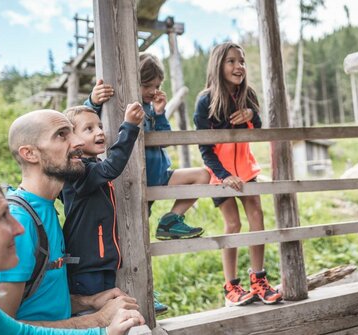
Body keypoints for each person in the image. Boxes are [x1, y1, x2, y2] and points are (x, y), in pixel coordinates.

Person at [0, 110, 139, 328]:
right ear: (30, 153)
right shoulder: (17, 223)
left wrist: (88, 301)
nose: (78, 141)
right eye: (61, 134)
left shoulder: (46, 209)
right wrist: (98, 321)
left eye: (73, 132)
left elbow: (39, 300)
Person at [0, 176, 145, 334]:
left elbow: (22, 332)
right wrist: (99, 320)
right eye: (3, 217)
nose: (19, 228)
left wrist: (100, 324)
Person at [193, 42, 282, 306]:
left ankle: (259, 280)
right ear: (219, 65)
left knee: (257, 217)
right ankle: (231, 287)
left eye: (241, 61)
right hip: (219, 172)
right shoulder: (206, 100)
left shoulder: (248, 94)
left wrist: (251, 114)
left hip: (245, 169)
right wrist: (222, 175)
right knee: (233, 224)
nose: (238, 66)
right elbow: (204, 148)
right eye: (231, 61)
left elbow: (258, 127)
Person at [85, 53, 209, 240]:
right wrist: (93, 101)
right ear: (135, 82)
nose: (153, 91)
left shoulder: (151, 108)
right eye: (147, 85)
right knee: (134, 230)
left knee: (203, 175)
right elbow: (85, 117)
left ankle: (171, 221)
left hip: (158, 175)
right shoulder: (120, 102)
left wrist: (160, 113)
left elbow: (165, 139)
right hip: (132, 178)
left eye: (157, 86)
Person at [60, 103, 143, 299]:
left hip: (102, 261)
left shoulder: (93, 165)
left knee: (107, 311)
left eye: (100, 126)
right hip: (86, 264)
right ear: (71, 139)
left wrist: (93, 101)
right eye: (89, 129)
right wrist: (129, 127)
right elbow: (111, 168)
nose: (99, 132)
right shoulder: (79, 171)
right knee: (91, 316)